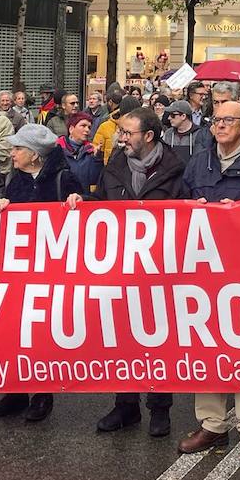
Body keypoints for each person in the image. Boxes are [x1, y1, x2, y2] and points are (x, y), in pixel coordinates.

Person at [177, 101, 240, 469]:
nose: (219, 125)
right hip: (205, 266)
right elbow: (180, 204)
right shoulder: (200, 159)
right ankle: (212, 423)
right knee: (206, 342)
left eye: (227, 120)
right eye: (216, 120)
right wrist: (196, 206)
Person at [91, 107, 186, 436]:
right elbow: (101, 208)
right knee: (123, 338)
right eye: (120, 132)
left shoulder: (177, 169)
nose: (121, 138)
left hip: (162, 270)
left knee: (160, 339)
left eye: (127, 133)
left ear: (148, 136)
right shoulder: (114, 166)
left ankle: (160, 408)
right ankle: (125, 404)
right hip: (122, 269)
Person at [0, 125, 84, 423]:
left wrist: (79, 202)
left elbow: (88, 214)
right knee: (13, 330)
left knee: (40, 332)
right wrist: (4, 205)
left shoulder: (62, 178)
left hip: (50, 268)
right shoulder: (14, 180)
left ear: (34, 155)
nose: (12, 153)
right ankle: (15, 392)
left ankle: (43, 394)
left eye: (18, 149)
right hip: (17, 266)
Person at [58, 111, 100, 193]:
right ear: (71, 129)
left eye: (89, 127)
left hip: (83, 199)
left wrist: (97, 158)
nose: (87, 130)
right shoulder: (57, 149)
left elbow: (94, 180)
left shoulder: (91, 151)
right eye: (83, 126)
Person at [160, 99, 199, 167]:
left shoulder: (199, 133)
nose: (169, 118)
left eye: (173, 115)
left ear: (183, 116)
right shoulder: (168, 133)